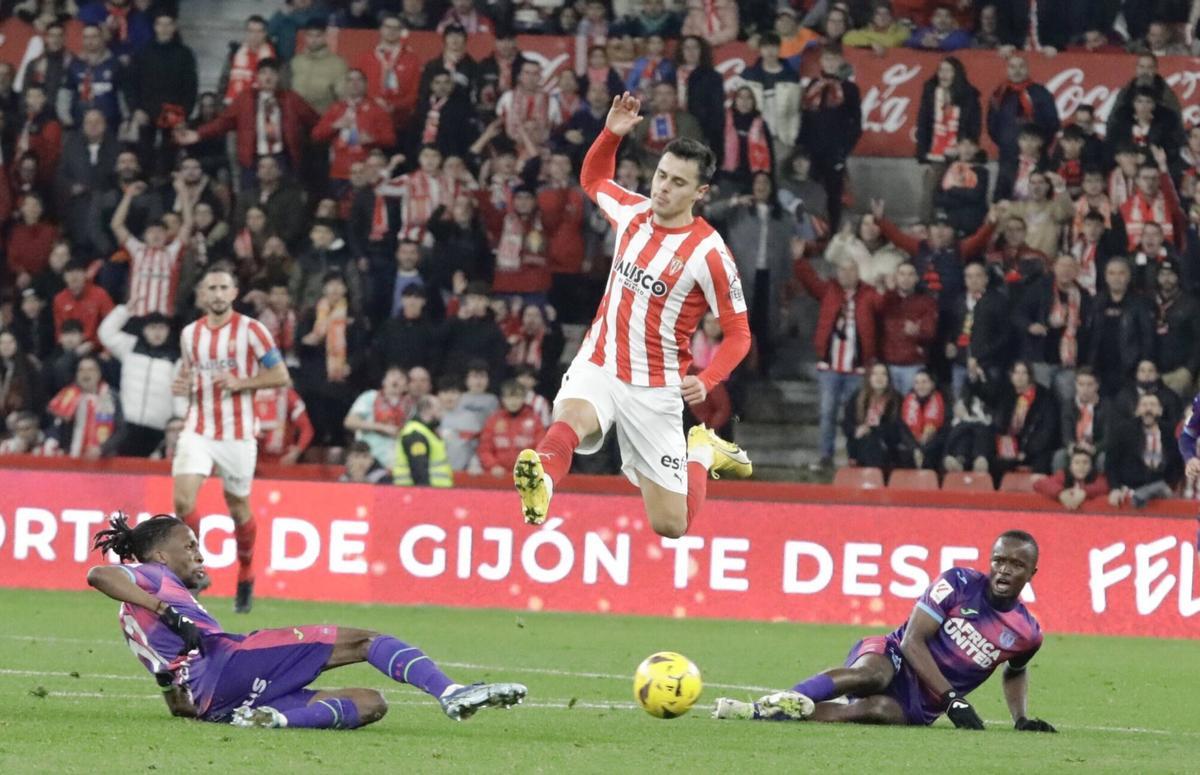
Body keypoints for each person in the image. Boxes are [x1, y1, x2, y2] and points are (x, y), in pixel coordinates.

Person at [513, 92, 752, 540]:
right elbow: (593, 178)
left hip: (655, 388)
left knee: (671, 525)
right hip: (601, 361)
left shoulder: (710, 254)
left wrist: (709, 379)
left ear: (700, 192)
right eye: (661, 175)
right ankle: (541, 481)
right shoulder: (633, 211)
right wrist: (611, 134)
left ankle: (700, 450)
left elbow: (739, 333)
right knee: (571, 419)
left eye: (678, 182)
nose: (662, 187)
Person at [88, 514, 525, 727]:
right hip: (229, 662)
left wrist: (182, 704)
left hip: (212, 702)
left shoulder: (131, 620)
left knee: (372, 703)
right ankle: (450, 692)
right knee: (364, 641)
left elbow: (174, 691)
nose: (198, 554)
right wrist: (169, 612)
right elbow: (99, 574)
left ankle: (278, 720)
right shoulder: (153, 575)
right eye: (189, 546)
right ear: (161, 555)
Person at [713, 531, 1055, 733]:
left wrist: (1021, 718)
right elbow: (912, 641)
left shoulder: (1027, 633)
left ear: (1033, 573)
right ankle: (766, 704)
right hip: (895, 655)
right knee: (872, 675)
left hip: (923, 702)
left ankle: (785, 712)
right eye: (999, 561)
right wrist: (953, 699)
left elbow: (1016, 670)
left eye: (1016, 565)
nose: (1004, 570)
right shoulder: (958, 583)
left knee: (875, 710)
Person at [171, 263, 291, 614]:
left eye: (224, 288)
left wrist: (244, 383)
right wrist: (180, 385)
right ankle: (194, 572)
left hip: (238, 435)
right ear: (202, 295)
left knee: (238, 507)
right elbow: (188, 375)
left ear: (234, 293)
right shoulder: (190, 334)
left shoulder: (252, 331)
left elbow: (280, 375)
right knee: (182, 503)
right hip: (198, 428)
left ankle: (246, 571)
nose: (218, 294)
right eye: (212, 288)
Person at [794, 250, 881, 470]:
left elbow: (884, 305)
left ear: (858, 273)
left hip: (857, 369)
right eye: (842, 270)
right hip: (829, 367)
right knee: (827, 413)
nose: (846, 274)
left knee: (855, 416)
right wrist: (799, 260)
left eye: (851, 270)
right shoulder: (829, 290)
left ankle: (856, 457)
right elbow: (809, 281)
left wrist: (887, 289)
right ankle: (826, 456)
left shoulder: (868, 293)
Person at [98, 305, 178, 457]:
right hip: (126, 424)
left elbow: (179, 393)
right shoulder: (130, 346)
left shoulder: (176, 357)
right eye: (152, 328)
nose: (157, 333)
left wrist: (177, 420)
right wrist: (124, 311)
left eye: (162, 328)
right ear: (144, 329)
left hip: (158, 428)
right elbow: (105, 333)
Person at [799, 46, 861, 230]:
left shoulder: (849, 89)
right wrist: (801, 148)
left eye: (834, 59)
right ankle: (813, 234)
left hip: (835, 152)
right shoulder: (813, 86)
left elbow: (856, 124)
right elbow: (805, 118)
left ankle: (832, 233)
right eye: (827, 59)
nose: (830, 63)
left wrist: (844, 150)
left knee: (834, 195)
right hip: (812, 150)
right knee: (811, 193)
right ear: (821, 62)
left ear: (841, 61)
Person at [111, 178, 193, 317]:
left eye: (160, 231)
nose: (156, 235)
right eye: (152, 232)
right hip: (135, 316)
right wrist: (128, 195)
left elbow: (188, 224)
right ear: (145, 236)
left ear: (166, 235)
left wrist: (183, 194)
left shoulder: (172, 252)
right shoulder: (137, 250)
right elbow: (116, 225)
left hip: (163, 319)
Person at [1106, 393, 1182, 507]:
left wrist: (1172, 484)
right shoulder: (1122, 431)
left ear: (1160, 410)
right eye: (1144, 405)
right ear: (1137, 410)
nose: (1148, 409)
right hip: (1130, 490)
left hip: (1163, 492)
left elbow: (1177, 462)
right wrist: (1115, 488)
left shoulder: (1170, 432)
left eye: (1152, 405)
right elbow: (1111, 463)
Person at [344, 367, 411, 470]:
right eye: (392, 375)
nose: (396, 380)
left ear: (406, 387)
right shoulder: (370, 397)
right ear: (384, 382)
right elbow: (350, 422)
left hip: (397, 463)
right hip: (370, 459)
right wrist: (382, 427)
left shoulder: (409, 405)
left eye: (401, 378)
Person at [479, 380, 546, 478]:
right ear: (503, 399)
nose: (513, 401)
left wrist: (530, 467)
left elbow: (541, 448)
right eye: (509, 397)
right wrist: (493, 466)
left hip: (527, 476)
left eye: (517, 397)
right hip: (498, 476)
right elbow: (484, 448)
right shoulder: (493, 420)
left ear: (524, 398)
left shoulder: (535, 420)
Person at [842, 363, 902, 469]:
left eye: (883, 374)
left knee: (874, 443)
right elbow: (847, 423)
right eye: (875, 374)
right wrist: (856, 430)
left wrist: (873, 430)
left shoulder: (897, 399)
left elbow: (897, 429)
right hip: (860, 444)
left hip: (886, 446)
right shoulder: (857, 396)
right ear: (869, 378)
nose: (879, 378)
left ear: (888, 379)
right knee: (867, 442)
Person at [394, 395, 452, 487]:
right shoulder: (415, 434)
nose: (442, 414)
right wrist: (424, 494)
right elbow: (418, 468)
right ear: (427, 409)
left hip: (436, 491)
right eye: (439, 409)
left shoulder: (427, 431)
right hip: (418, 493)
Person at [1033, 448, 1107, 510]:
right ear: (1070, 466)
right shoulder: (1064, 475)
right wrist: (1060, 493)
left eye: (1085, 462)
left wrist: (1085, 492)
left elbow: (1105, 485)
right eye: (1077, 463)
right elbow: (1040, 483)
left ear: (1091, 466)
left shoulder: (1097, 476)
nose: (1081, 466)